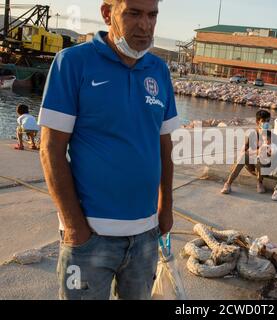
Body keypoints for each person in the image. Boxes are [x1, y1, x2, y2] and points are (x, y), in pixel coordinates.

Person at [38, 0, 179, 300]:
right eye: (134, 13)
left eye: (152, 14)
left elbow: (164, 145)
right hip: (89, 237)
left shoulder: (159, 70)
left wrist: (165, 208)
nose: (145, 24)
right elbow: (50, 150)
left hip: (145, 235)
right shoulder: (72, 63)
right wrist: (75, 225)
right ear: (107, 13)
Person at [221, 110, 271, 194]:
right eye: (263, 121)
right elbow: (244, 150)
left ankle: (260, 182)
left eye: (268, 121)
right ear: (257, 122)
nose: (266, 123)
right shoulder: (252, 134)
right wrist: (256, 151)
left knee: (261, 158)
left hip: (264, 167)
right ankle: (228, 184)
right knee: (244, 156)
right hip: (252, 166)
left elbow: (271, 154)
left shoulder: (271, 136)